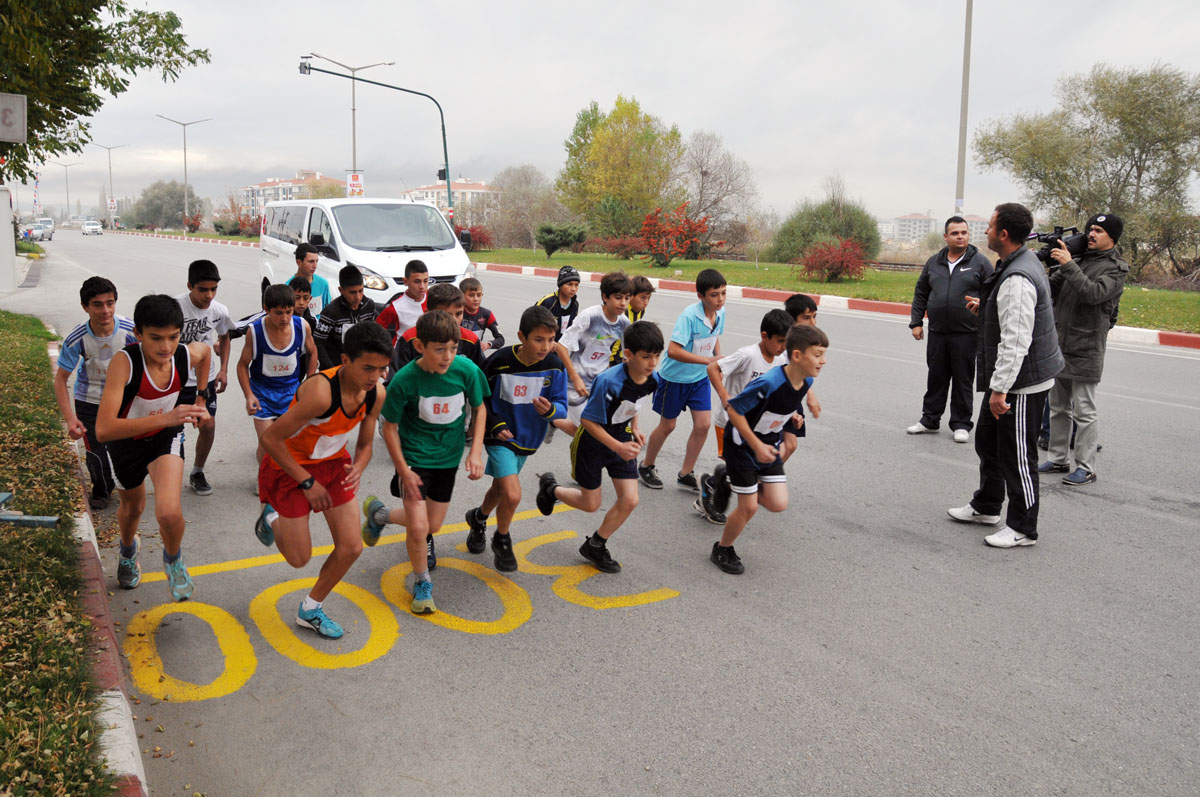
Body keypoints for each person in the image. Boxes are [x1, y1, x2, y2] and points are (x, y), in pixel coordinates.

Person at [253, 322, 390, 639]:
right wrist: (306, 482)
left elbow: (367, 444)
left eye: (382, 369)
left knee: (352, 547)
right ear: (345, 360)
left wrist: (359, 465)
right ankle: (271, 515)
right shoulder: (320, 392)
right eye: (368, 368)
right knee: (299, 559)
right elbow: (271, 440)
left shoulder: (375, 393)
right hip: (289, 467)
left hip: (332, 465)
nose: (375, 377)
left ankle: (310, 608)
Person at [947, 203, 1064, 549]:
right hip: (1012, 378)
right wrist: (986, 308)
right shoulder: (1014, 265)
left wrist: (1000, 390)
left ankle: (1024, 527)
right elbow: (1012, 315)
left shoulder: (1017, 276)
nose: (984, 231)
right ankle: (986, 505)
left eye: (990, 226)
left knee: (1017, 454)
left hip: (1021, 382)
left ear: (1004, 234)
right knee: (988, 442)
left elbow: (1016, 339)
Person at [362, 310, 489, 615]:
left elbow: (480, 407)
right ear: (420, 346)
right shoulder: (404, 380)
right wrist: (403, 469)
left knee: (432, 524)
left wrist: (475, 452)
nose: (448, 356)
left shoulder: (467, 371)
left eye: (453, 348)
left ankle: (379, 515)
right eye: (440, 349)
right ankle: (422, 582)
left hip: (447, 459)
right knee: (419, 529)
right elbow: (388, 427)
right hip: (415, 459)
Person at [96, 294, 212, 599]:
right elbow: (104, 429)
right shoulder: (125, 363)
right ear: (138, 334)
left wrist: (201, 397)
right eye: (155, 338)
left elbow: (206, 352)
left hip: (165, 438)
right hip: (126, 444)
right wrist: (170, 415)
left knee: (169, 512)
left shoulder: (184, 355)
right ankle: (127, 550)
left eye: (173, 337)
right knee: (133, 508)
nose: (166, 347)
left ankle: (173, 560)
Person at [535, 320, 663, 573]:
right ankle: (551, 489)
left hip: (621, 439)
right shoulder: (608, 381)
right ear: (628, 355)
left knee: (630, 499)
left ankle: (596, 544)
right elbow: (587, 422)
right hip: (593, 442)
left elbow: (634, 402)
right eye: (646, 356)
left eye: (657, 356)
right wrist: (617, 446)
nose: (653, 362)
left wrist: (635, 427)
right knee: (590, 504)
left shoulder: (653, 379)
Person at [703, 324, 828, 575]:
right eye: (817, 354)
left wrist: (794, 412)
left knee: (778, 503)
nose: (823, 361)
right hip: (742, 442)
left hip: (768, 443)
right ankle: (722, 548)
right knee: (749, 507)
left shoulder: (805, 379)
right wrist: (756, 445)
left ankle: (727, 481)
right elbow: (735, 411)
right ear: (796, 356)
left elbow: (788, 397)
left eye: (824, 354)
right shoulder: (767, 383)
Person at [464, 306, 567, 571]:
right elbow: (481, 396)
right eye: (538, 339)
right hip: (499, 436)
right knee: (512, 494)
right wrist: (495, 423)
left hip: (528, 438)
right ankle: (502, 538)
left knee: (500, 489)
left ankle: (478, 518)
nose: (546, 346)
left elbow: (562, 404)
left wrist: (552, 411)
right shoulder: (499, 361)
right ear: (522, 336)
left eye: (551, 340)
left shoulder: (554, 366)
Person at [1037, 213, 1129, 486]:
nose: (1091, 234)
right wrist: (1044, 265)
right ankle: (1057, 458)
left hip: (1087, 347)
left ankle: (1086, 467)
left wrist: (1067, 266)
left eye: (1099, 231)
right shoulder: (1075, 261)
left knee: (1084, 411)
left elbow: (1093, 294)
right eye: (1090, 229)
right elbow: (1047, 290)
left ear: (1112, 237)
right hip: (1060, 345)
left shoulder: (1116, 268)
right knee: (1057, 407)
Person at [698, 308, 793, 524]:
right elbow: (713, 368)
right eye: (779, 341)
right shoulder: (748, 355)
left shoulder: (781, 360)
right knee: (738, 468)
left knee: (743, 468)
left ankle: (717, 481)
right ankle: (715, 484)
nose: (783, 347)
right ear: (764, 336)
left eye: (786, 342)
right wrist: (724, 395)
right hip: (730, 422)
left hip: (756, 426)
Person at [637, 268, 726, 492]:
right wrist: (707, 360)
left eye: (723, 293)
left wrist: (716, 361)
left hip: (699, 379)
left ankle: (686, 473)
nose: (720, 299)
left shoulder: (721, 313)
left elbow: (714, 338)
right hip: (674, 379)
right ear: (701, 296)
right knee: (668, 426)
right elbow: (674, 350)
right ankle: (646, 465)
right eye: (714, 295)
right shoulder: (689, 316)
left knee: (703, 425)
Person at [54, 277, 138, 510]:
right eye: (98, 305)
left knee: (126, 450)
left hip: (124, 400)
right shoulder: (76, 338)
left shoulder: (133, 331)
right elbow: (60, 380)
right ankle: (102, 489)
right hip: (89, 402)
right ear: (85, 307)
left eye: (110, 303)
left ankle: (129, 486)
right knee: (96, 454)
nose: (105, 310)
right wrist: (70, 419)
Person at [907, 216, 993, 443]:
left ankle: (961, 424)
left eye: (964, 232)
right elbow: (921, 292)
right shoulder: (934, 262)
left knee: (963, 379)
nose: (960, 236)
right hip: (937, 332)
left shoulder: (981, 263)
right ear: (946, 236)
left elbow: (992, 296)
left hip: (966, 333)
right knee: (936, 377)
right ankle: (929, 420)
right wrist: (916, 322)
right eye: (955, 233)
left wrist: (983, 310)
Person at [236, 283, 318, 464]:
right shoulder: (255, 332)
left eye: (289, 312)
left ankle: (282, 477)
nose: (285, 318)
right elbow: (242, 365)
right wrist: (249, 395)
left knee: (290, 442)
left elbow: (312, 352)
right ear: (266, 309)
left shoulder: (302, 326)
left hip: (290, 392)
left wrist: (310, 381)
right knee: (268, 443)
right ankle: (264, 478)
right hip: (262, 394)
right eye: (279, 313)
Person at [176, 259, 234, 496]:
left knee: (208, 425)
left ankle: (197, 471)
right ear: (190, 285)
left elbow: (226, 336)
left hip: (204, 381)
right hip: (175, 382)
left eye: (214, 289)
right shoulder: (175, 307)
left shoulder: (219, 311)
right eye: (203, 289)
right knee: (173, 430)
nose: (209, 295)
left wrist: (223, 370)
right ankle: (171, 472)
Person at [553, 271, 633, 437]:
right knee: (590, 434)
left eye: (627, 298)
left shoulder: (624, 323)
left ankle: (551, 418)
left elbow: (628, 357)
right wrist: (575, 379)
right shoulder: (590, 316)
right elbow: (561, 347)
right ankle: (551, 418)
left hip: (599, 384)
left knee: (594, 433)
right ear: (605, 296)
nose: (623, 303)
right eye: (618, 297)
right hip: (574, 382)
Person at [389, 283, 486, 374]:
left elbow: (482, 374)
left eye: (458, 314)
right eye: (446, 315)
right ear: (428, 313)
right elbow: (395, 377)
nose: (453, 320)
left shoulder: (470, 340)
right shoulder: (410, 338)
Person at [314, 265, 380, 369]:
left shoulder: (369, 306)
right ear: (341, 290)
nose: (357, 296)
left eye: (360, 291)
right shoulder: (331, 312)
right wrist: (330, 369)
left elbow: (374, 335)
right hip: (337, 366)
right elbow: (318, 342)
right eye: (352, 292)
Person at [375, 260, 429, 343]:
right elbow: (374, 331)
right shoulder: (396, 307)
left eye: (425, 281)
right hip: (403, 353)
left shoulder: (434, 298)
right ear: (405, 281)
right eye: (417, 281)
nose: (422, 286)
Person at [610, 275, 655, 365]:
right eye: (643, 297)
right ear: (631, 296)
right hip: (611, 357)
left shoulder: (640, 311)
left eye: (648, 298)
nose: (646, 302)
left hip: (623, 356)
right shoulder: (621, 312)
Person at [535, 266, 581, 340]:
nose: (573, 289)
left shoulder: (575, 304)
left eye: (576, 285)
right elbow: (531, 322)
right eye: (569, 284)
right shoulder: (548, 302)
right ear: (560, 285)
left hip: (561, 345)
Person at [460, 277, 505, 352]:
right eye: (471, 295)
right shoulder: (456, 312)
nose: (476, 299)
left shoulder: (486, 314)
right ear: (461, 296)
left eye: (479, 295)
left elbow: (500, 339)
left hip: (474, 356)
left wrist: (488, 344)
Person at [289, 243, 333, 316]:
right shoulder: (288, 286)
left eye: (316, 261)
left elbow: (327, 310)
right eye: (311, 261)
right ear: (299, 262)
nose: (315, 266)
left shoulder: (323, 284)